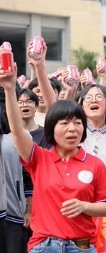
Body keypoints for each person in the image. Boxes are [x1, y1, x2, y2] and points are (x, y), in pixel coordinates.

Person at [0, 57, 106, 252]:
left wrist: (84, 206)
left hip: (82, 247)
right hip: (44, 246)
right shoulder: (40, 159)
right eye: (65, 123)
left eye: (78, 123)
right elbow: (17, 130)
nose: (72, 129)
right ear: (52, 129)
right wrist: (10, 89)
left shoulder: (95, 164)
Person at [4, 89, 46, 253]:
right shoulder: (7, 137)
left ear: (36, 106)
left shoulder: (44, 134)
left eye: (29, 101)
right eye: (20, 102)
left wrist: (29, 209)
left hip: (30, 203)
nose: (24, 105)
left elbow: (28, 176)